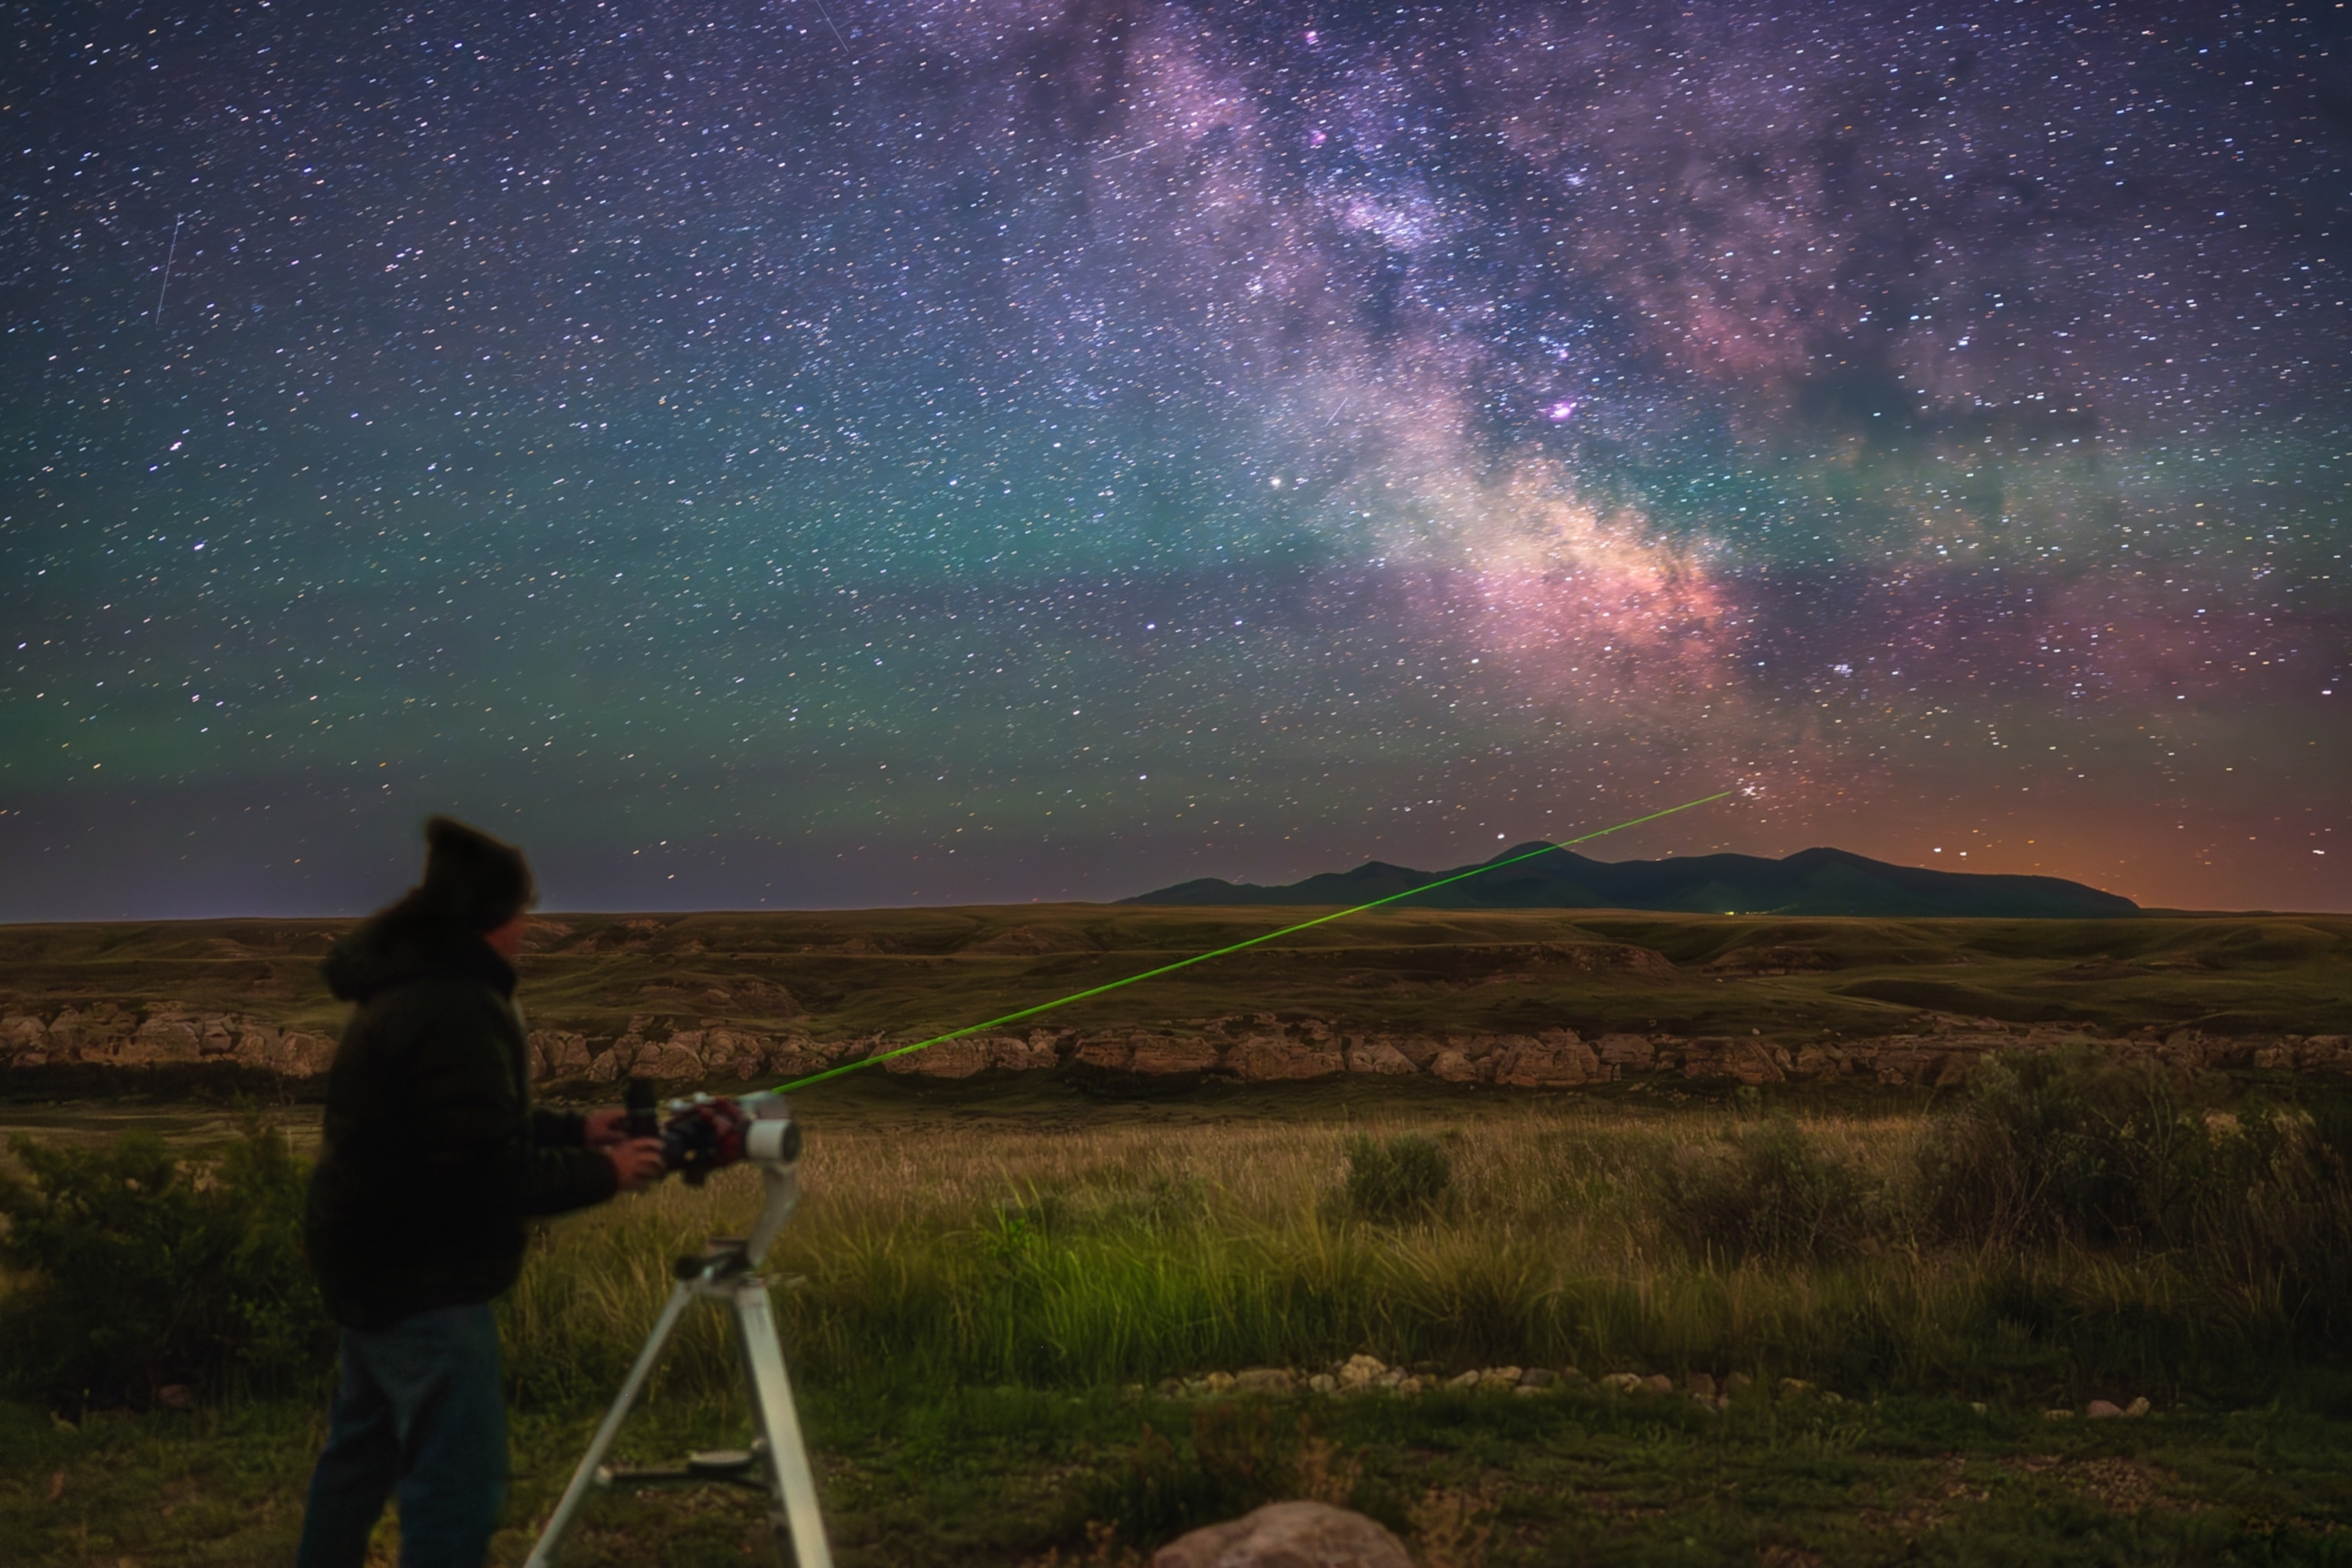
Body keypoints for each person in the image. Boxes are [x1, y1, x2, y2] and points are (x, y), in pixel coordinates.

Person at [296, 815, 666, 1568]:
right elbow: (485, 1172)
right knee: (454, 1487)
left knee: (358, 1463)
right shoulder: (455, 1006)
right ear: (493, 918)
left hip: (369, 1266)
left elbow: (463, 1125)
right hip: (427, 1282)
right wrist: (612, 1170)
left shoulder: (412, 989)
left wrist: (577, 1131)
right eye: (522, 909)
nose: (529, 926)